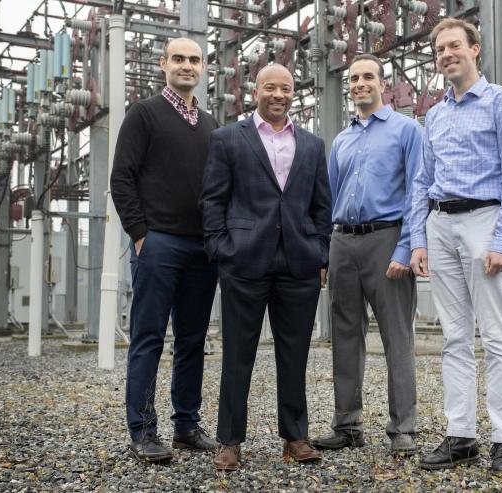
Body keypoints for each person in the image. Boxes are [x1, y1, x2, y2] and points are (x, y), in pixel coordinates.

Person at [409, 18, 502, 476]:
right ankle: (461, 435)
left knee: (497, 337)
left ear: (475, 49)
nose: (446, 54)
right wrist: (418, 238)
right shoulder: (435, 115)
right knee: (455, 338)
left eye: (454, 46)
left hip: (485, 220)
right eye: (440, 49)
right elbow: (422, 181)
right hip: (441, 223)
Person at [200, 63, 332, 472]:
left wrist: (320, 253)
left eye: (287, 88)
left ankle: (295, 437)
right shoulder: (227, 139)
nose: (279, 94)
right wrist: (222, 249)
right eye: (270, 87)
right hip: (244, 260)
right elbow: (212, 200)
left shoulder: (311, 145)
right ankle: (230, 441)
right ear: (254, 92)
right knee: (238, 354)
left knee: (294, 354)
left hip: (298, 262)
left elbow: (322, 206)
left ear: (295, 93)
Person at [110, 37, 219, 463]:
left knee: (192, 340)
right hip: (159, 243)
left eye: (194, 60)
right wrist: (140, 234)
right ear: (164, 65)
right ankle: (142, 430)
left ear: (204, 67)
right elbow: (122, 178)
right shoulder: (144, 115)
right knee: (148, 337)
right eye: (179, 59)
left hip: (202, 248)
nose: (186, 66)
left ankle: (187, 426)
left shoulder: (210, 126)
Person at [312, 54, 422, 456]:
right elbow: (328, 201)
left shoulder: (407, 131)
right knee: (344, 336)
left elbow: (416, 194)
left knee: (397, 337)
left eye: (367, 77)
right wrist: (325, 252)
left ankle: (403, 428)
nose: (360, 83)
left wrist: (407, 247)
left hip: (386, 239)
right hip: (343, 242)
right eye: (354, 78)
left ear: (383, 83)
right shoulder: (341, 141)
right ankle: (347, 425)